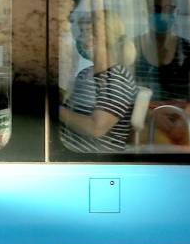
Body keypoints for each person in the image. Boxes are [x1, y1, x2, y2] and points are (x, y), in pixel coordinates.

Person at [133, 0, 190, 147]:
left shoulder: (187, 49)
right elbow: (125, 94)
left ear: (176, 12)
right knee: (161, 148)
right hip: (145, 118)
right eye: (156, 9)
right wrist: (151, 115)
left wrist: (184, 121)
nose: (163, 14)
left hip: (183, 116)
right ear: (146, 12)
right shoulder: (133, 48)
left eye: (169, 9)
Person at [58, 10, 139, 153]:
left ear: (106, 37)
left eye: (88, 31)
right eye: (81, 31)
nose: (81, 38)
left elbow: (96, 128)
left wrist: (55, 111)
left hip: (91, 158)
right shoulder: (85, 73)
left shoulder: (116, 79)